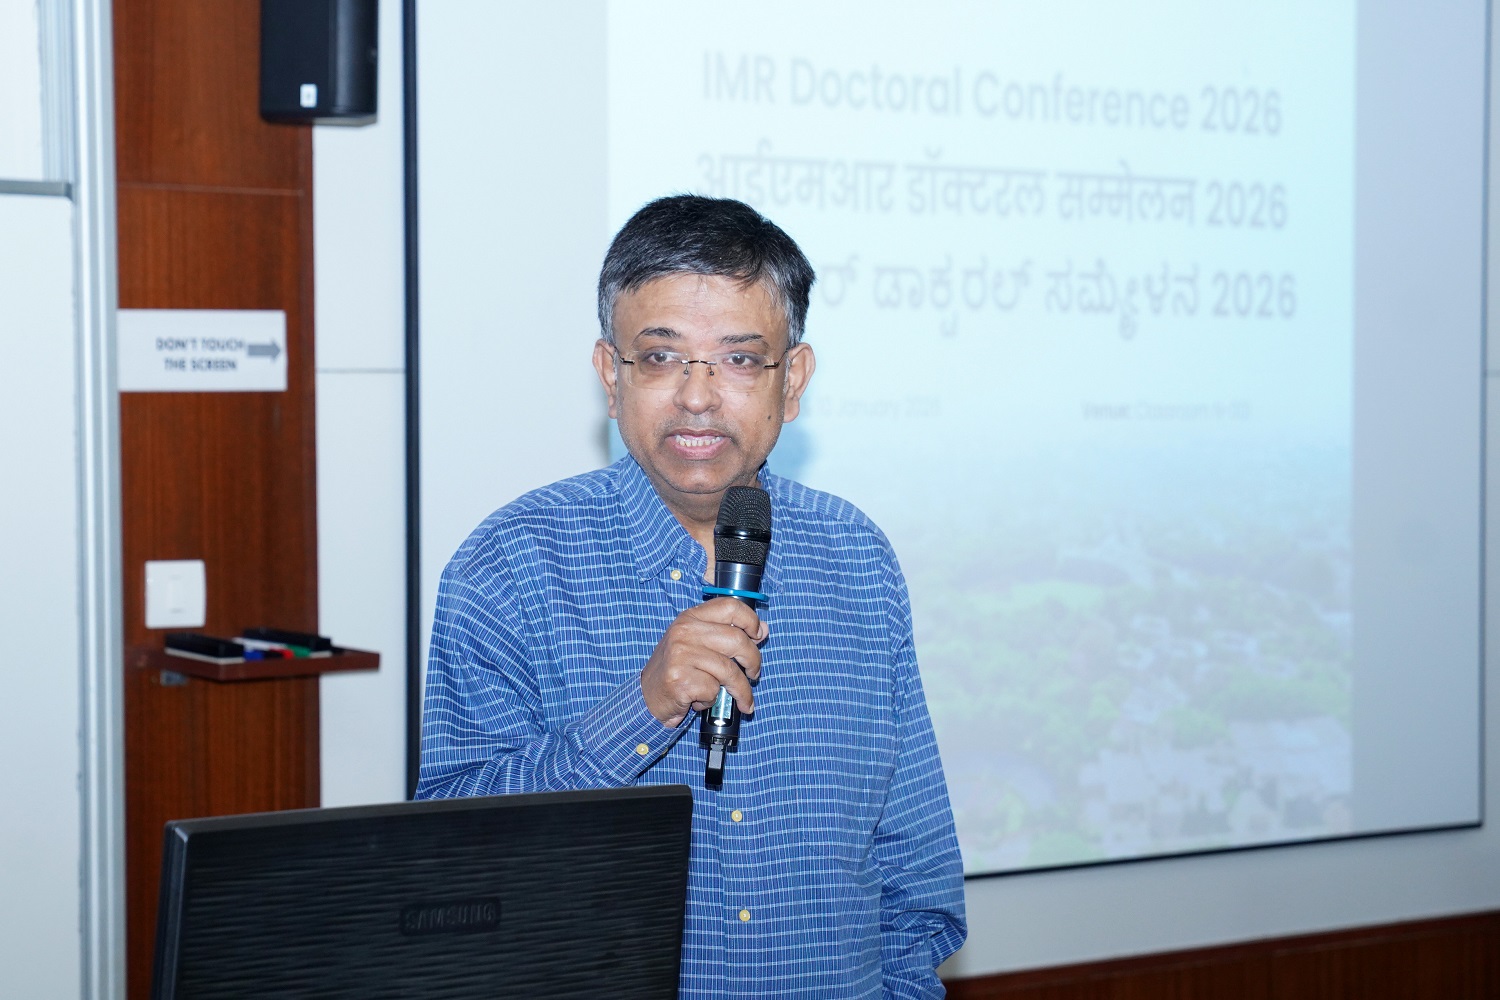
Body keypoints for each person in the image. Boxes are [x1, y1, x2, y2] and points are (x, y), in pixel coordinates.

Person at [417, 194, 966, 998]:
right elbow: (449, 856)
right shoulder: (510, 565)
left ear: (794, 380)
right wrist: (643, 708)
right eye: (661, 358)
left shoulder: (858, 558)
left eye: (741, 359)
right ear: (611, 375)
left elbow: (912, 870)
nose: (699, 396)